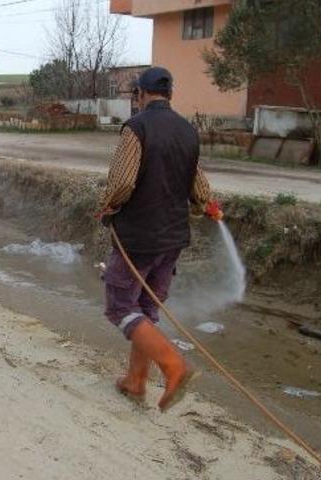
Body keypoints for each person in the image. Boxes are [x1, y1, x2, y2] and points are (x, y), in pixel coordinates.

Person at [95, 66, 223, 412]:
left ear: (139, 95)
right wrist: (206, 206)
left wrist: (107, 206)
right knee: (146, 310)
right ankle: (135, 382)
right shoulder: (187, 131)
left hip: (139, 236)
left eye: (134, 96)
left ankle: (173, 366)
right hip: (173, 239)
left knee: (121, 305)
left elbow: (122, 182)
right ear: (170, 95)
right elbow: (199, 187)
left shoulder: (136, 128)